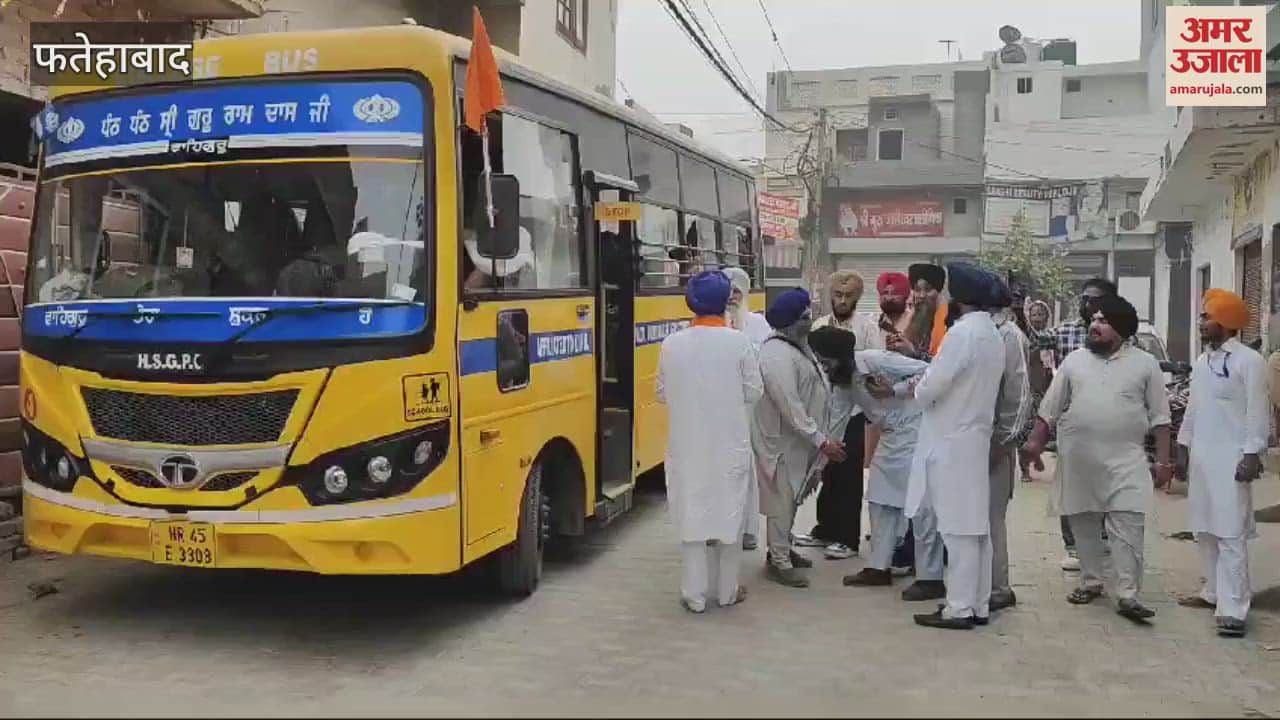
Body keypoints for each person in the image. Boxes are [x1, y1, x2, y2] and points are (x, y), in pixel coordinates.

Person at [1023, 294, 1173, 625]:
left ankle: (1127, 594)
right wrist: (1034, 444)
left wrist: (1163, 463)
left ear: (1121, 328)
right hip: (1079, 458)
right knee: (1084, 523)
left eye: (1103, 321)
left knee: (1129, 524)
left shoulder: (1145, 363)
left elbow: (1161, 419)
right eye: (1093, 320)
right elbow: (1049, 409)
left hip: (1127, 459)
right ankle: (1090, 582)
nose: (1094, 325)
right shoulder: (1074, 361)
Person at [656, 270, 764, 613]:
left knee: (692, 517)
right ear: (726, 301)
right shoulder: (738, 342)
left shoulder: (672, 344)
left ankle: (695, 595)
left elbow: (661, 392)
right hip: (729, 443)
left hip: (687, 446)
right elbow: (754, 391)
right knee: (729, 514)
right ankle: (728, 591)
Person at [906, 263, 1005, 630]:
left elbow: (931, 388)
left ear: (959, 298)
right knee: (975, 529)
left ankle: (959, 608)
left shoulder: (963, 334)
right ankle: (976, 604)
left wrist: (919, 383)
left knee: (958, 530)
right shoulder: (991, 333)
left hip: (951, 442)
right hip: (973, 439)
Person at [806, 326, 937, 589]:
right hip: (891, 435)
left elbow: (929, 372)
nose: (822, 366)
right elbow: (836, 424)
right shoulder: (843, 383)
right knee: (879, 499)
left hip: (917, 430)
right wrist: (820, 464)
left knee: (918, 506)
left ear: (840, 356)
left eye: (824, 360)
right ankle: (879, 568)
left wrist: (895, 390)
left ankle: (930, 577)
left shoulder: (877, 360)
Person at [1175, 289, 1268, 638]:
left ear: (1226, 323)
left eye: (1207, 317)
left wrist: (1251, 453)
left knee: (1231, 533)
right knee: (1205, 529)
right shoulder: (1203, 362)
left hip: (1233, 459)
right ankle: (1212, 592)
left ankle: (1233, 609)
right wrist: (1183, 447)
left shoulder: (1249, 361)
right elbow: (1193, 409)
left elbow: (1257, 412)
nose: (1201, 324)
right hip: (1202, 457)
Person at [753, 288, 845, 588]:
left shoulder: (797, 345)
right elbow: (789, 406)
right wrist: (820, 440)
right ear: (792, 321)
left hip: (801, 443)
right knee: (781, 501)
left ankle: (783, 549)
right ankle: (778, 561)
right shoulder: (775, 354)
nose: (810, 321)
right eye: (805, 317)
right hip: (783, 442)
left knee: (793, 498)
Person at [797, 270, 881, 560]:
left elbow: (872, 370)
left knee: (848, 476)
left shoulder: (867, 328)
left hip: (855, 411)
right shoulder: (819, 325)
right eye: (837, 295)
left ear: (857, 298)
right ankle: (825, 530)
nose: (842, 301)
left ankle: (848, 539)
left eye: (847, 297)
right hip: (825, 410)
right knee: (827, 472)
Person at [1050, 277, 1119, 572]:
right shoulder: (1065, 331)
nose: (1087, 304)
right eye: (1084, 298)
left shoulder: (1124, 336)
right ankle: (1074, 546)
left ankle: (1102, 538)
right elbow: (1036, 339)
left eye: (1095, 299)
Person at [985, 278, 1033, 613]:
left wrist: (1003, 441)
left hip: (995, 444)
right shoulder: (981, 330)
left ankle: (999, 588)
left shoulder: (1009, 336)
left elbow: (1018, 395)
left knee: (991, 517)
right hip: (975, 441)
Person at [723, 266, 770, 552]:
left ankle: (749, 528)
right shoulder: (714, 324)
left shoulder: (756, 323)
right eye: (726, 293)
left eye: (736, 292)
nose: (731, 298)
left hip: (749, 408)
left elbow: (763, 361)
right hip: (721, 409)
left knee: (747, 468)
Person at [1021, 299, 1056, 481]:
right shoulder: (1026, 337)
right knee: (1026, 428)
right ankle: (1025, 469)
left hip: (1047, 387)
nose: (1037, 318)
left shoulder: (1052, 336)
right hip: (1029, 387)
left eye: (1040, 314)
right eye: (1033, 314)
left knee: (1045, 427)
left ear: (1047, 317)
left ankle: (1036, 454)